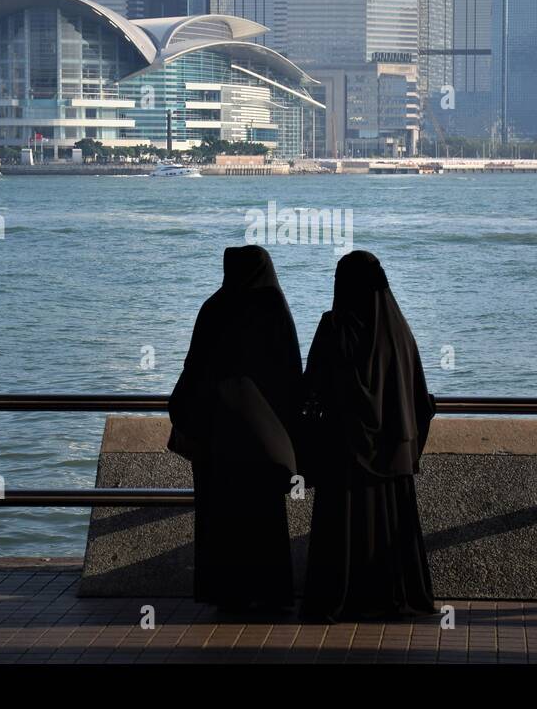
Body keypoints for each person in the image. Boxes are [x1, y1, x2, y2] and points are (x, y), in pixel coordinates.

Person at [300, 250, 437, 622]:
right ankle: (390, 597)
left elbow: (311, 390)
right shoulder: (399, 332)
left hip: (343, 457)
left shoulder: (333, 327)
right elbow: (419, 399)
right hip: (392, 458)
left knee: (341, 531)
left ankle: (341, 598)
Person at [168, 245, 302, 611]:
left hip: (217, 440)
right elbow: (291, 375)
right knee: (264, 518)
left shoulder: (214, 307)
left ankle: (227, 592)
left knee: (220, 517)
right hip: (264, 441)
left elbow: (193, 372)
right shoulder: (274, 309)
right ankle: (270, 591)